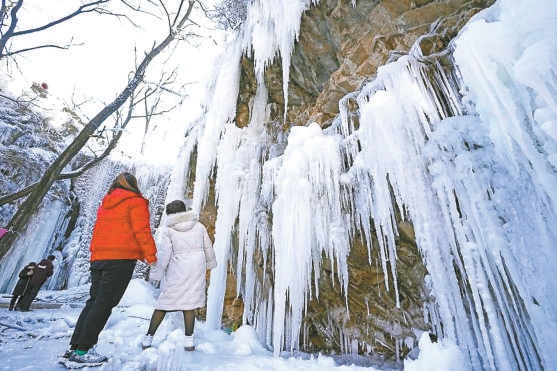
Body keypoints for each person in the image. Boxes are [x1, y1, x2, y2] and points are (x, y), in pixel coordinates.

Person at [63, 172, 157, 366]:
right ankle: (83, 350)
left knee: (94, 301)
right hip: (120, 259)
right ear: (133, 185)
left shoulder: (106, 203)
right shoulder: (136, 202)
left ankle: (75, 346)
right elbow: (142, 230)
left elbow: (100, 230)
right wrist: (151, 256)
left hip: (99, 258)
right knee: (104, 304)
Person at [142, 200, 216, 352]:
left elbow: (164, 255)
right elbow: (208, 246)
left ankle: (148, 337)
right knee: (189, 303)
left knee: (164, 303)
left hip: (179, 267)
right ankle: (189, 342)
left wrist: (157, 273)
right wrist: (210, 263)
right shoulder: (198, 226)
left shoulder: (169, 230)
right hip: (197, 266)